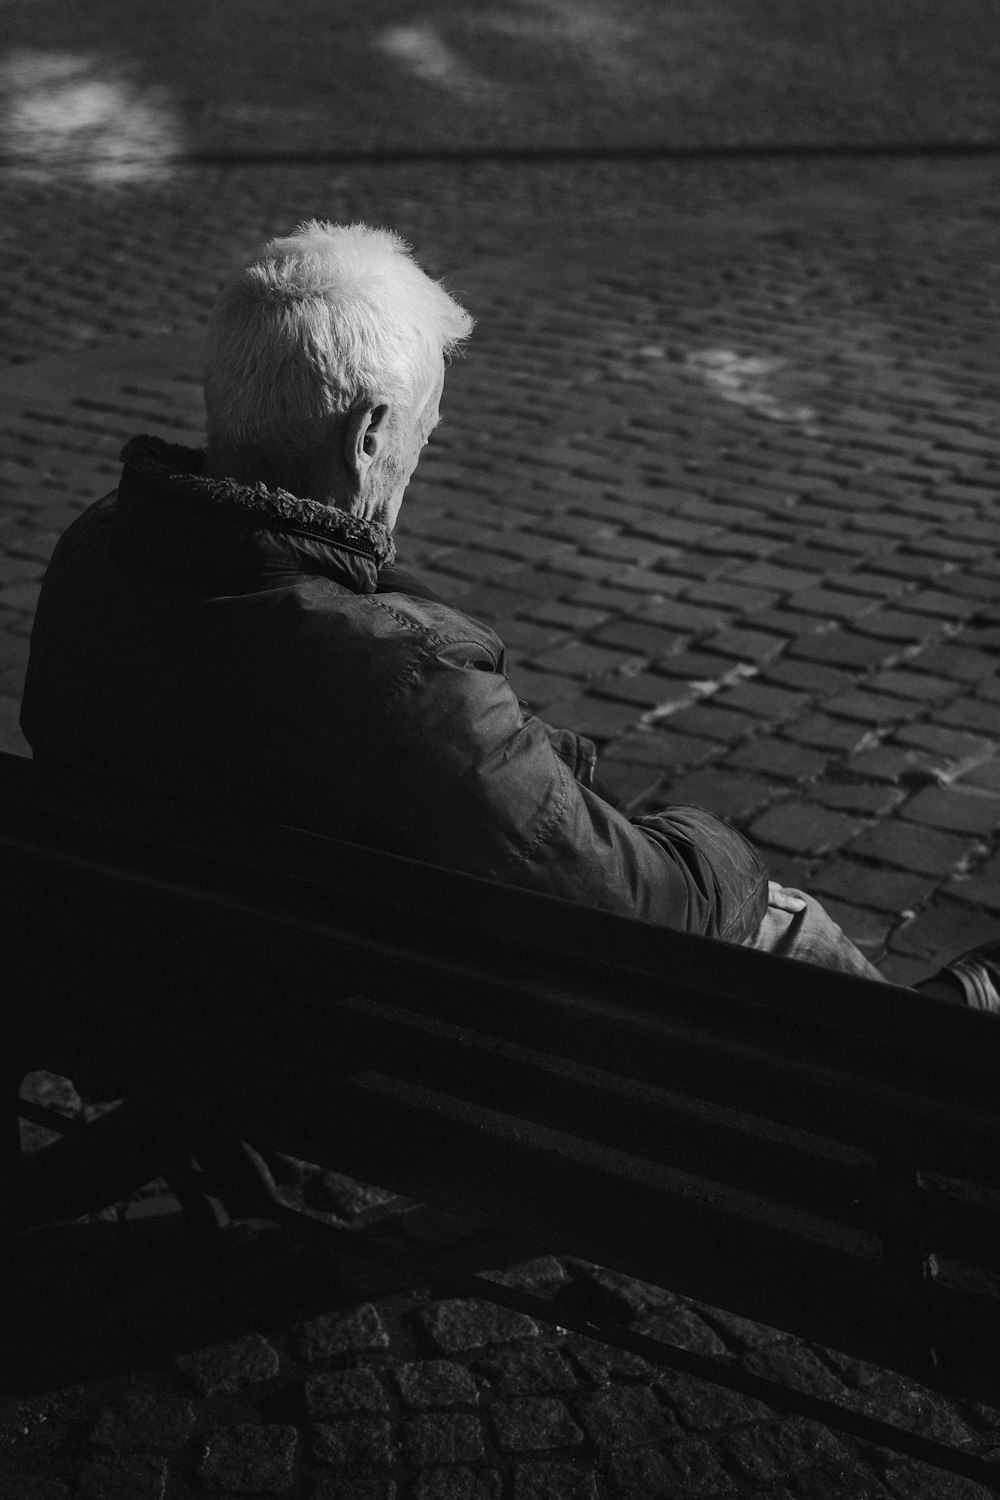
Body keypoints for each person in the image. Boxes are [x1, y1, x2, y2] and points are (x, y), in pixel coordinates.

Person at [18, 221, 999, 1007]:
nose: (418, 459)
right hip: (382, 1055)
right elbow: (631, 905)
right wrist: (717, 847)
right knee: (774, 920)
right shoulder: (407, 691)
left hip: (179, 1008)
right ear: (369, 437)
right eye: (422, 433)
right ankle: (942, 1076)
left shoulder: (95, 559)